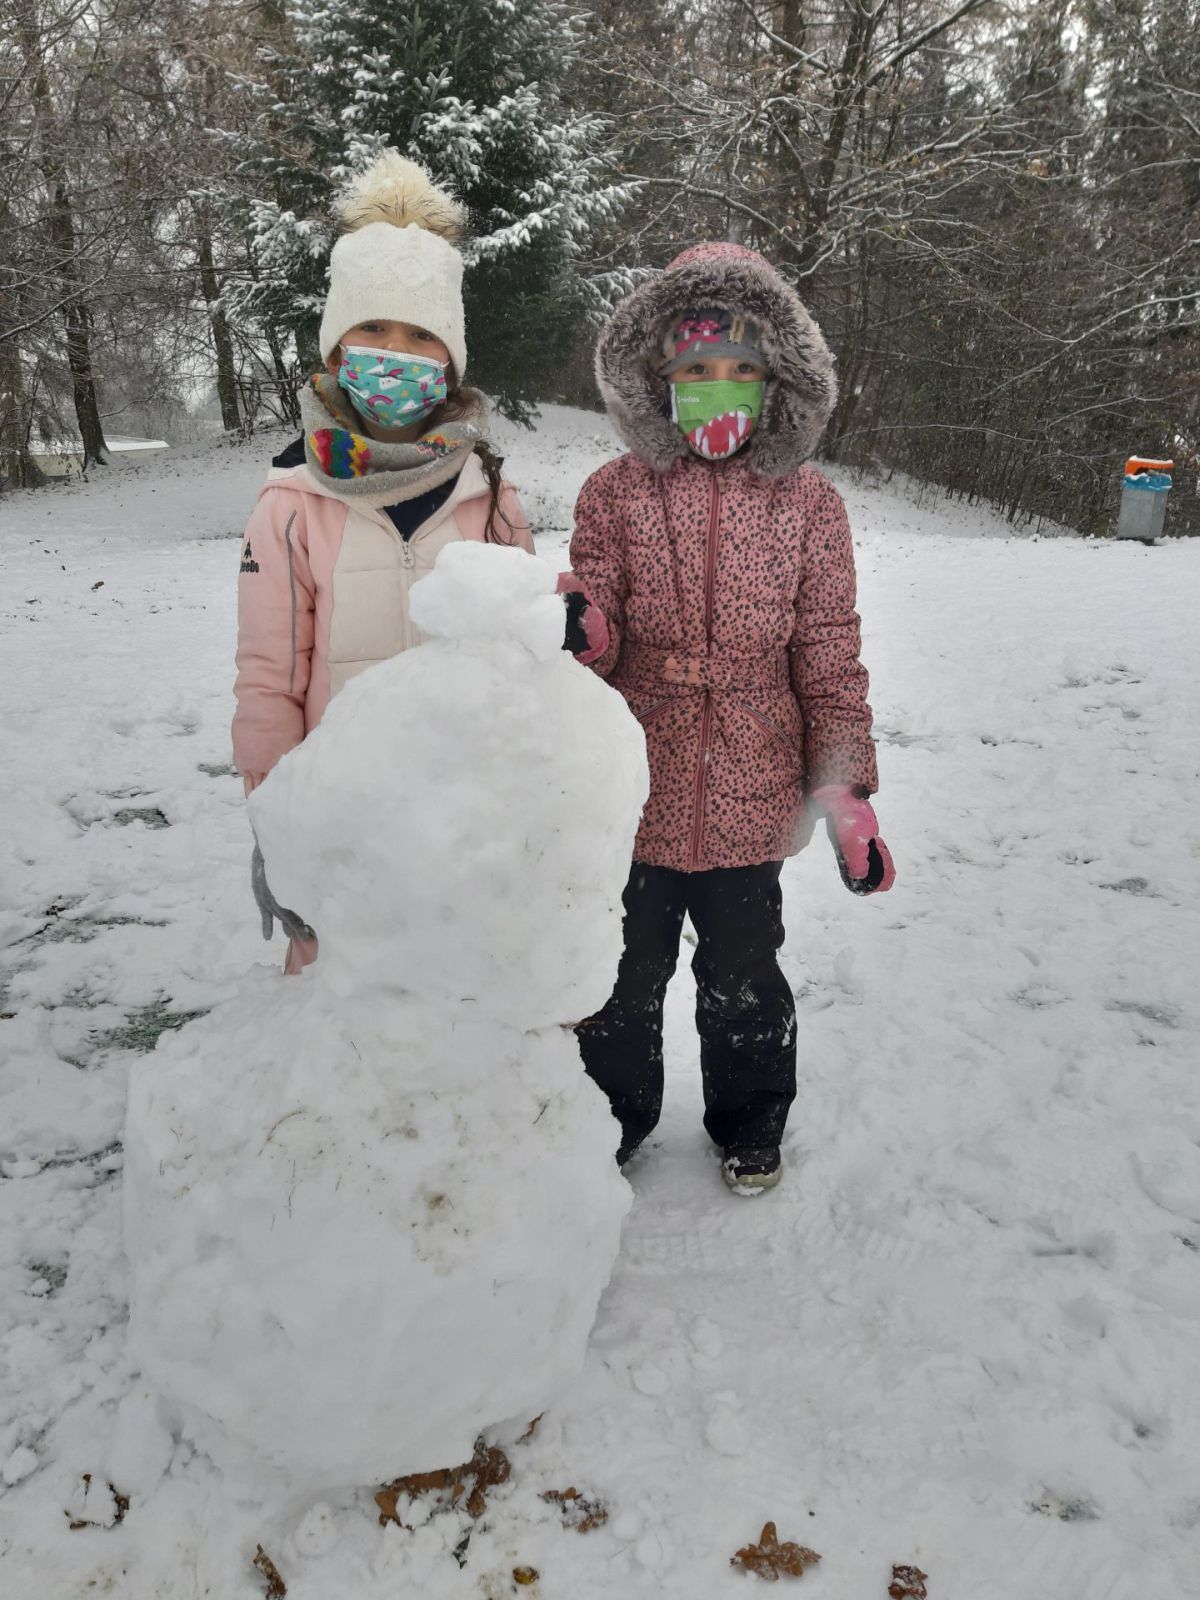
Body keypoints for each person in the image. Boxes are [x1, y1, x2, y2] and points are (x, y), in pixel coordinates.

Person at [566, 242, 895, 1195]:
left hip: (755, 793)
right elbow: (599, 633)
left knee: (745, 982)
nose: (719, 386)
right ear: (657, 379)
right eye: (696, 369)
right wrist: (582, 629)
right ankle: (611, 1124)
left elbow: (829, 653)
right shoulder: (616, 493)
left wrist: (845, 789)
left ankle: (750, 1123)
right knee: (621, 986)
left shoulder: (810, 504)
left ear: (776, 380)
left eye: (741, 370)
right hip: (635, 785)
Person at [232, 152, 589, 972]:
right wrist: (275, 825)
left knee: (457, 1011)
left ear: (451, 358)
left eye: (421, 334)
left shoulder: (490, 493)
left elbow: (524, 662)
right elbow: (267, 682)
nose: (395, 350)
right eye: (373, 328)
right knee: (347, 1028)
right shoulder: (291, 503)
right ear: (335, 349)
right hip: (340, 817)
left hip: (462, 816)